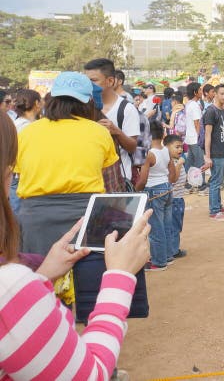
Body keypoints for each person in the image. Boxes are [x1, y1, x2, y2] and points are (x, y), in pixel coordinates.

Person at [1, 111, 153, 379]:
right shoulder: (9, 287)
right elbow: (88, 375)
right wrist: (119, 277)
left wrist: (40, 276)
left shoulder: (31, 132)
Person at [15, 72, 118, 255]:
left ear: (51, 99)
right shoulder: (99, 132)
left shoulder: (26, 134)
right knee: (85, 278)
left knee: (42, 278)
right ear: (88, 102)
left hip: (36, 222)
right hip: (85, 220)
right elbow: (112, 187)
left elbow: (19, 178)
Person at [85, 58, 141, 183]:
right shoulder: (82, 106)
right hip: (89, 179)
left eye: (93, 80)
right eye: (86, 80)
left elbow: (132, 147)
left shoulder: (126, 109)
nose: (88, 85)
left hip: (117, 180)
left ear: (110, 81)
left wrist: (116, 131)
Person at [135, 121, 177, 271]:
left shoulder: (149, 154)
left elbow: (143, 179)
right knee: (166, 224)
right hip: (166, 188)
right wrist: (169, 184)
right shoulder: (165, 150)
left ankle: (159, 261)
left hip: (153, 190)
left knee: (155, 228)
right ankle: (168, 255)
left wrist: (135, 191)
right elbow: (172, 173)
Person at [203, 84, 224, 221]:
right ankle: (214, 211)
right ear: (215, 94)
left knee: (219, 180)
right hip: (214, 153)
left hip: (222, 151)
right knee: (215, 181)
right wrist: (207, 156)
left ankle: (218, 206)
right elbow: (207, 135)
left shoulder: (222, 110)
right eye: (222, 94)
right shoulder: (211, 111)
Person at [164, 134, 187, 260]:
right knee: (174, 225)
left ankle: (173, 248)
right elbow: (173, 179)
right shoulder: (171, 162)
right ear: (166, 147)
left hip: (179, 197)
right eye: (177, 147)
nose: (180, 150)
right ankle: (173, 250)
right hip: (174, 199)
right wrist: (179, 165)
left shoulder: (176, 160)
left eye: (181, 147)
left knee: (176, 224)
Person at [184, 83, 205, 191]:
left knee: (190, 161)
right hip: (195, 138)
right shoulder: (195, 105)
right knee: (200, 161)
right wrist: (199, 138)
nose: (202, 92)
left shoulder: (189, 104)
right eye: (200, 90)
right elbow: (197, 123)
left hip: (190, 137)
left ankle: (184, 181)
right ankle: (201, 184)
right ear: (195, 92)